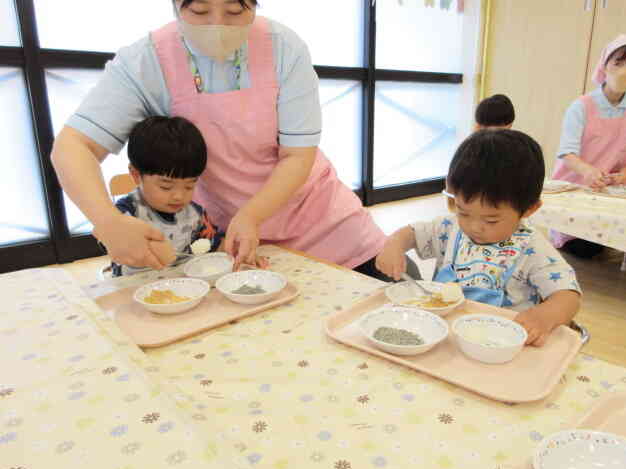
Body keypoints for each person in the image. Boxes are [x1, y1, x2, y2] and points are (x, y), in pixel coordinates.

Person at [51, 0, 394, 280]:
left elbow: (297, 156)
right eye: (199, 11)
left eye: (235, 10)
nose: (218, 25)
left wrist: (251, 216)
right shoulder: (144, 61)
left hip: (323, 223)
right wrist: (108, 221)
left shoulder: (285, 48)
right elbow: (73, 147)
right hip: (230, 244)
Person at [376, 130, 581, 346]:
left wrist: (545, 315)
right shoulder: (450, 227)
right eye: (463, 212)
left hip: (497, 344)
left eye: (491, 220)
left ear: (529, 209)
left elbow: (568, 296)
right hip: (441, 336)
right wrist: (394, 244)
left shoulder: (532, 248)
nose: (474, 227)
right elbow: (412, 234)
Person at [552, 34, 626, 258]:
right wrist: (588, 171)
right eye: (618, 63)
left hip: (614, 190)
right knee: (586, 248)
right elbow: (566, 153)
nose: (625, 71)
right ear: (605, 65)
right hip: (576, 188)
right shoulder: (582, 106)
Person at [112, 116, 223, 276]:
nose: (179, 196)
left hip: (182, 287)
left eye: (189, 186)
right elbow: (111, 238)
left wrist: (236, 250)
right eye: (166, 186)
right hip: (133, 287)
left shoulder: (194, 214)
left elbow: (213, 243)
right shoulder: (127, 211)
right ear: (136, 175)